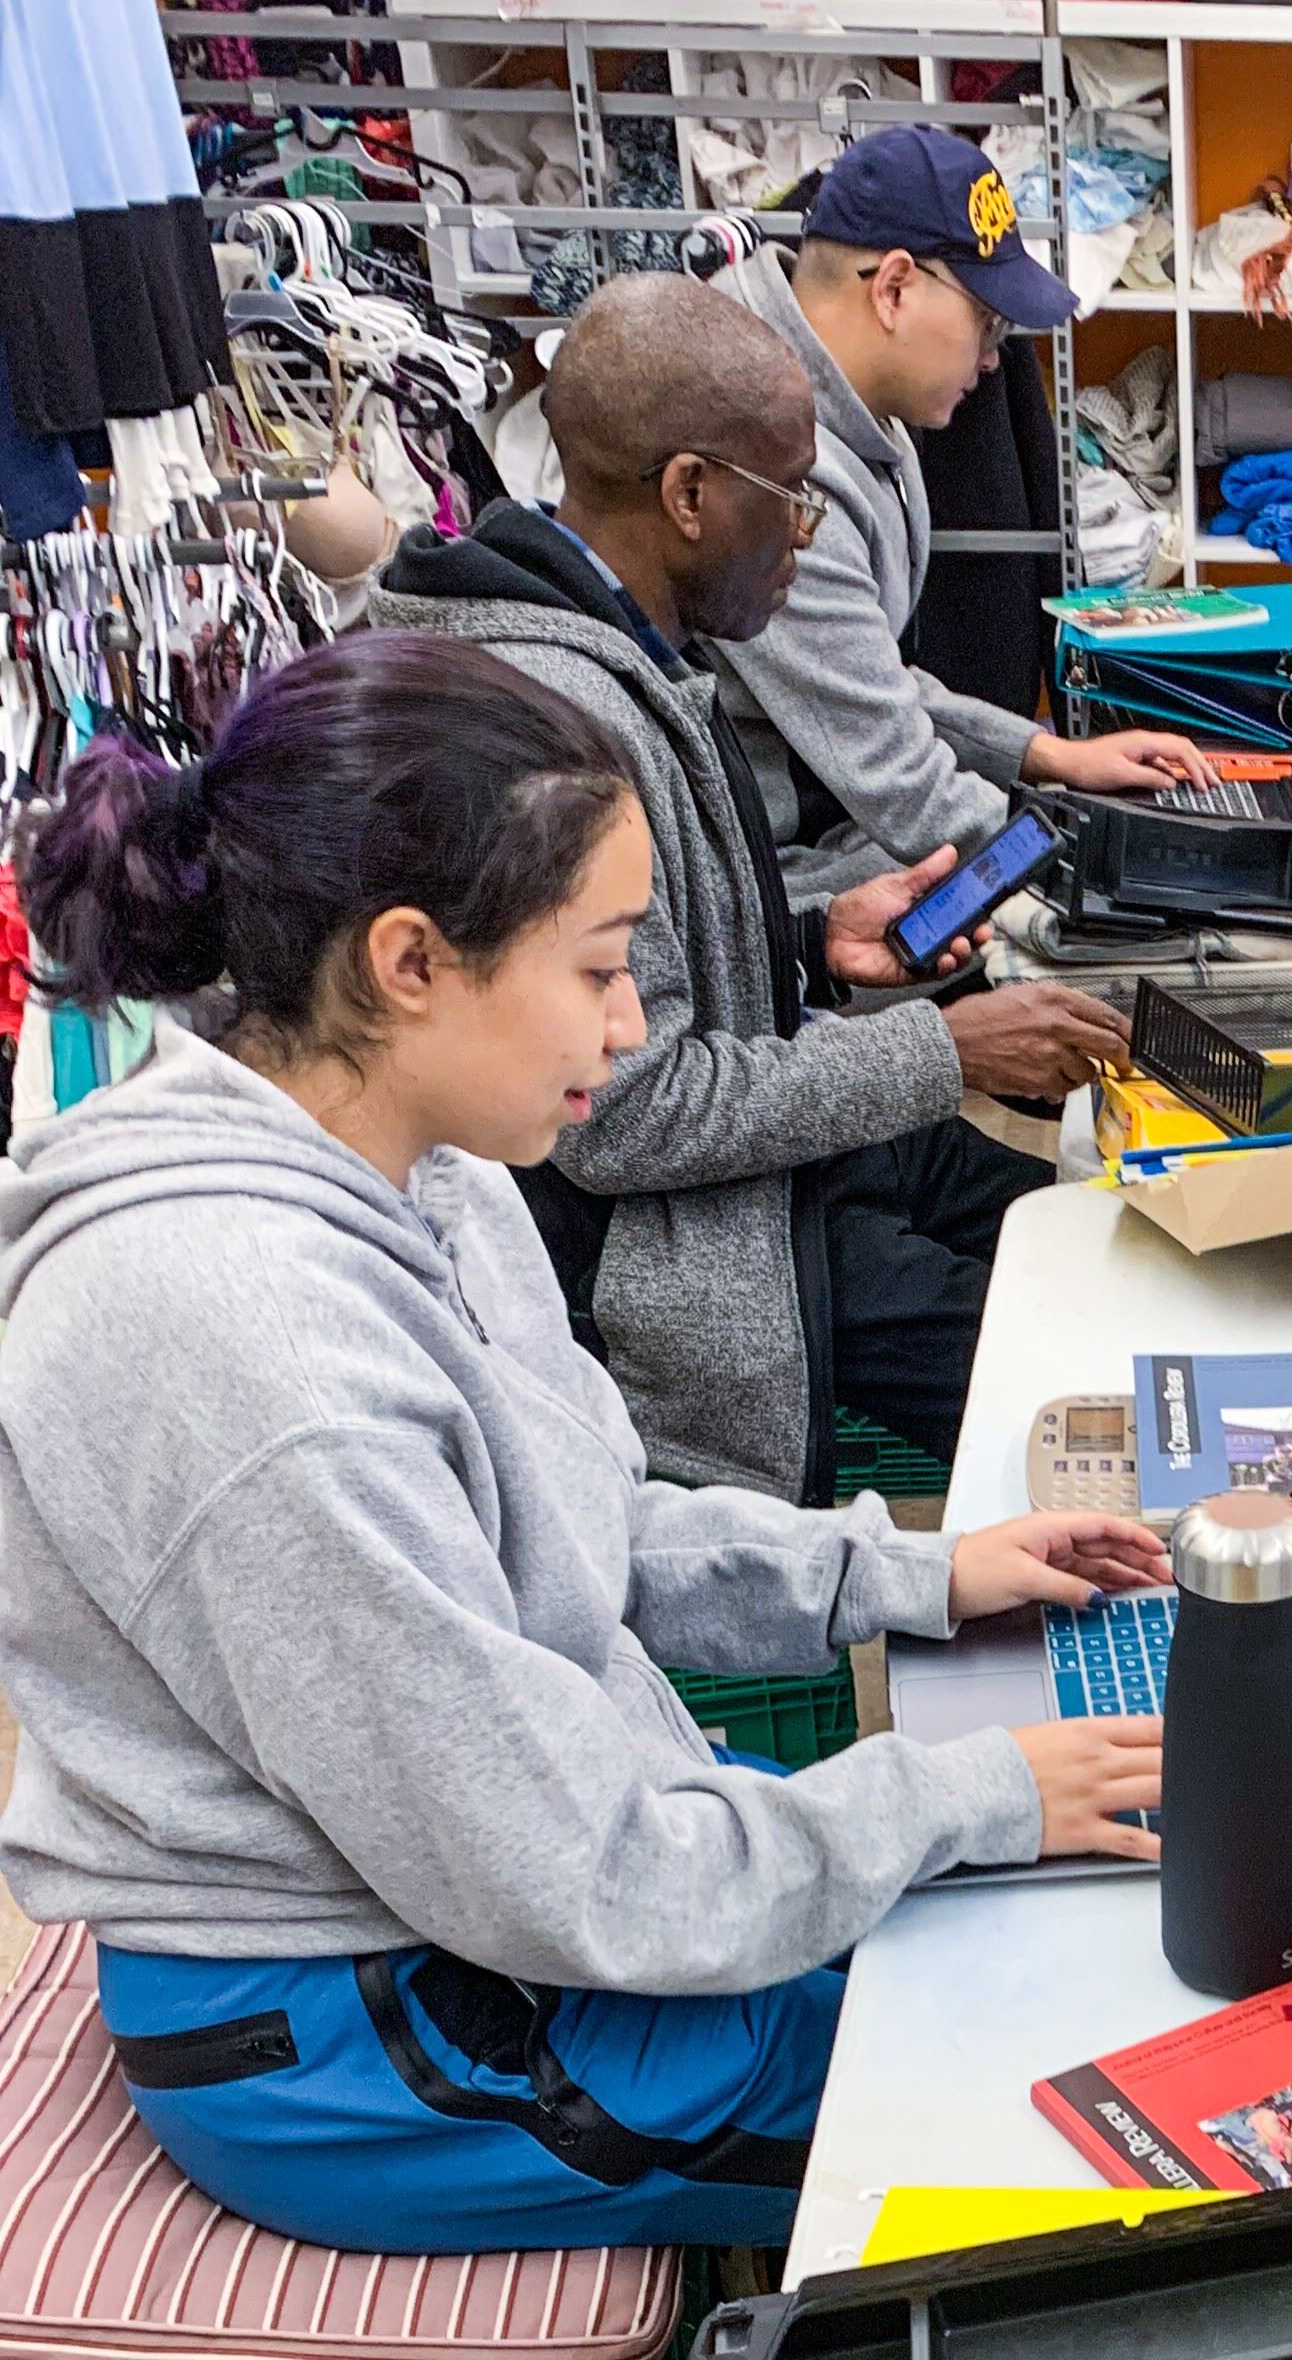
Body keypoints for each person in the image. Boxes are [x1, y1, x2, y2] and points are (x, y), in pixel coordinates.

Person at [0, 631, 1169, 2252]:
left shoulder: (430, 1167)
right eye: (601, 963)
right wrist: (963, 1798)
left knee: (1022, 1921)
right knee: (1043, 2116)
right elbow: (581, 1881)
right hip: (372, 2027)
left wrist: (910, 1573)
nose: (627, 1031)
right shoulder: (253, 1350)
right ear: (411, 963)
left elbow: (585, 1529)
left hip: (503, 1863)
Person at [377, 273, 1124, 1505]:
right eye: (790, 500)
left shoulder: (622, 652)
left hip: (768, 1147)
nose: (807, 536)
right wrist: (945, 1052)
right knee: (1079, 1377)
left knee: (1096, 1240)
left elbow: (643, 962)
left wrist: (814, 936)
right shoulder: (558, 727)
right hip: (695, 1247)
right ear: (687, 493)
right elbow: (621, 1113)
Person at [711, 124, 1210, 893]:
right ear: (895, 287)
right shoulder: (771, 465)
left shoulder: (866, 420)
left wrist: (1048, 757)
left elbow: (874, 679)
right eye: (988, 321)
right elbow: (899, 780)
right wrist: (1163, 859)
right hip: (783, 886)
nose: (991, 357)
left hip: (836, 828)